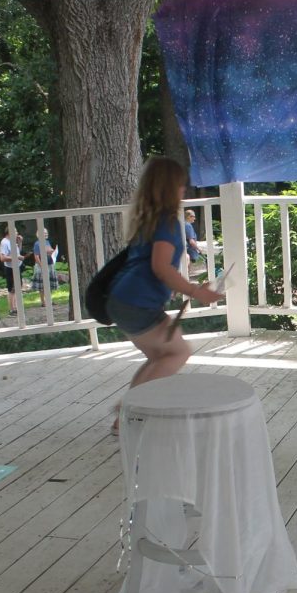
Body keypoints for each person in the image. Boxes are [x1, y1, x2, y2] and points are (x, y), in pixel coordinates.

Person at [106, 157, 223, 433]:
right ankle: (128, 413)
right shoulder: (167, 222)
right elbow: (161, 267)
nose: (184, 191)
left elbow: (152, 265)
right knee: (177, 352)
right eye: (181, 186)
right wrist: (196, 291)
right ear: (170, 188)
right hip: (136, 303)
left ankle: (124, 418)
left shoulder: (147, 219)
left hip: (123, 300)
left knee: (160, 357)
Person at [0, 230, 26, 315]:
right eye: (15, 231)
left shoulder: (12, 241)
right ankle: (12, 310)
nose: (17, 233)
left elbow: (18, 252)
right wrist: (17, 257)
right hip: (10, 268)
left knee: (18, 287)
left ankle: (17, 308)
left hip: (17, 267)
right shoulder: (4, 242)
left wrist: (20, 242)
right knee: (12, 289)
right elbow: (2, 258)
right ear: (9, 233)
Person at [32, 227, 57, 303]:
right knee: (42, 285)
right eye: (44, 233)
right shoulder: (37, 244)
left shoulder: (47, 242)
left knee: (50, 283)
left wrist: (54, 251)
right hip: (42, 266)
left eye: (46, 232)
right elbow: (36, 256)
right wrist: (42, 266)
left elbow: (50, 251)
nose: (46, 234)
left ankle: (49, 300)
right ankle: (43, 302)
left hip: (50, 264)